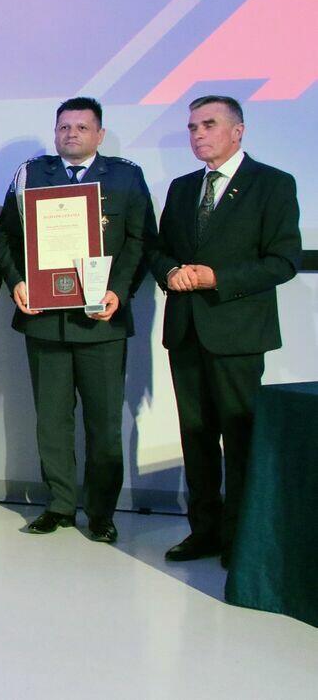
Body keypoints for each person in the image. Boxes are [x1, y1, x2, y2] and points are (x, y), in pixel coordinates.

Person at [0, 97, 156, 543]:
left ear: (99, 135)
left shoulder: (124, 176)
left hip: (101, 321)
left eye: (82, 127)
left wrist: (119, 290)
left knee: (104, 425)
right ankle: (60, 505)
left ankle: (101, 512)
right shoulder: (31, 174)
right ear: (55, 132)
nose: (72, 134)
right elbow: (5, 236)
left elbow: (141, 240)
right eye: (64, 127)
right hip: (45, 320)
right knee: (51, 422)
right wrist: (17, 282)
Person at [150, 95, 300, 567]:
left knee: (239, 439)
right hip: (186, 331)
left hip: (238, 333)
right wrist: (170, 271)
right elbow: (159, 250)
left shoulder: (272, 184)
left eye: (208, 124)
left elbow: (284, 261)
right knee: (195, 437)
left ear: (238, 131)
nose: (198, 134)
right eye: (192, 127)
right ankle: (205, 531)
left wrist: (218, 278)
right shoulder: (182, 188)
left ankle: (241, 537)